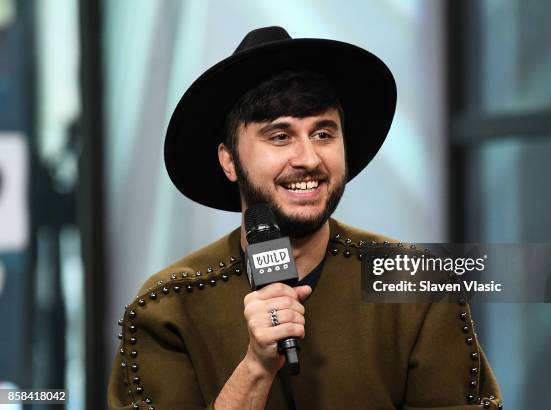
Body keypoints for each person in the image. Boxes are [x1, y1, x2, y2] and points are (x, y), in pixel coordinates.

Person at [108, 26, 502, 410]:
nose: (309, 159)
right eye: (280, 136)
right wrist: (256, 368)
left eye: (323, 134)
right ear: (229, 160)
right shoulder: (167, 307)